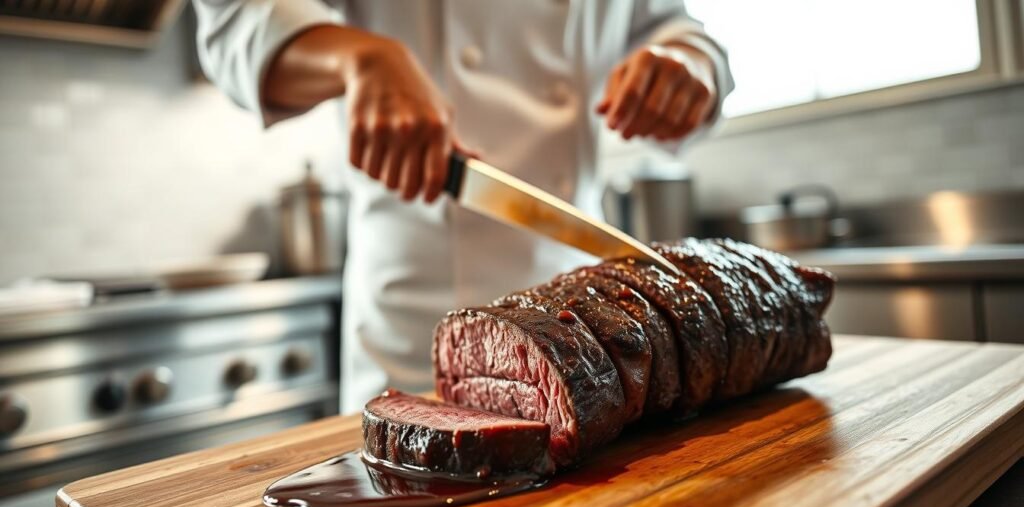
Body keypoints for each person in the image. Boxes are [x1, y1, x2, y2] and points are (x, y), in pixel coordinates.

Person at [193, 0, 733, 413]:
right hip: (415, 328)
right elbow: (238, 16)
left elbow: (674, 27)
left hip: (585, 330)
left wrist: (689, 64)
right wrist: (361, 57)